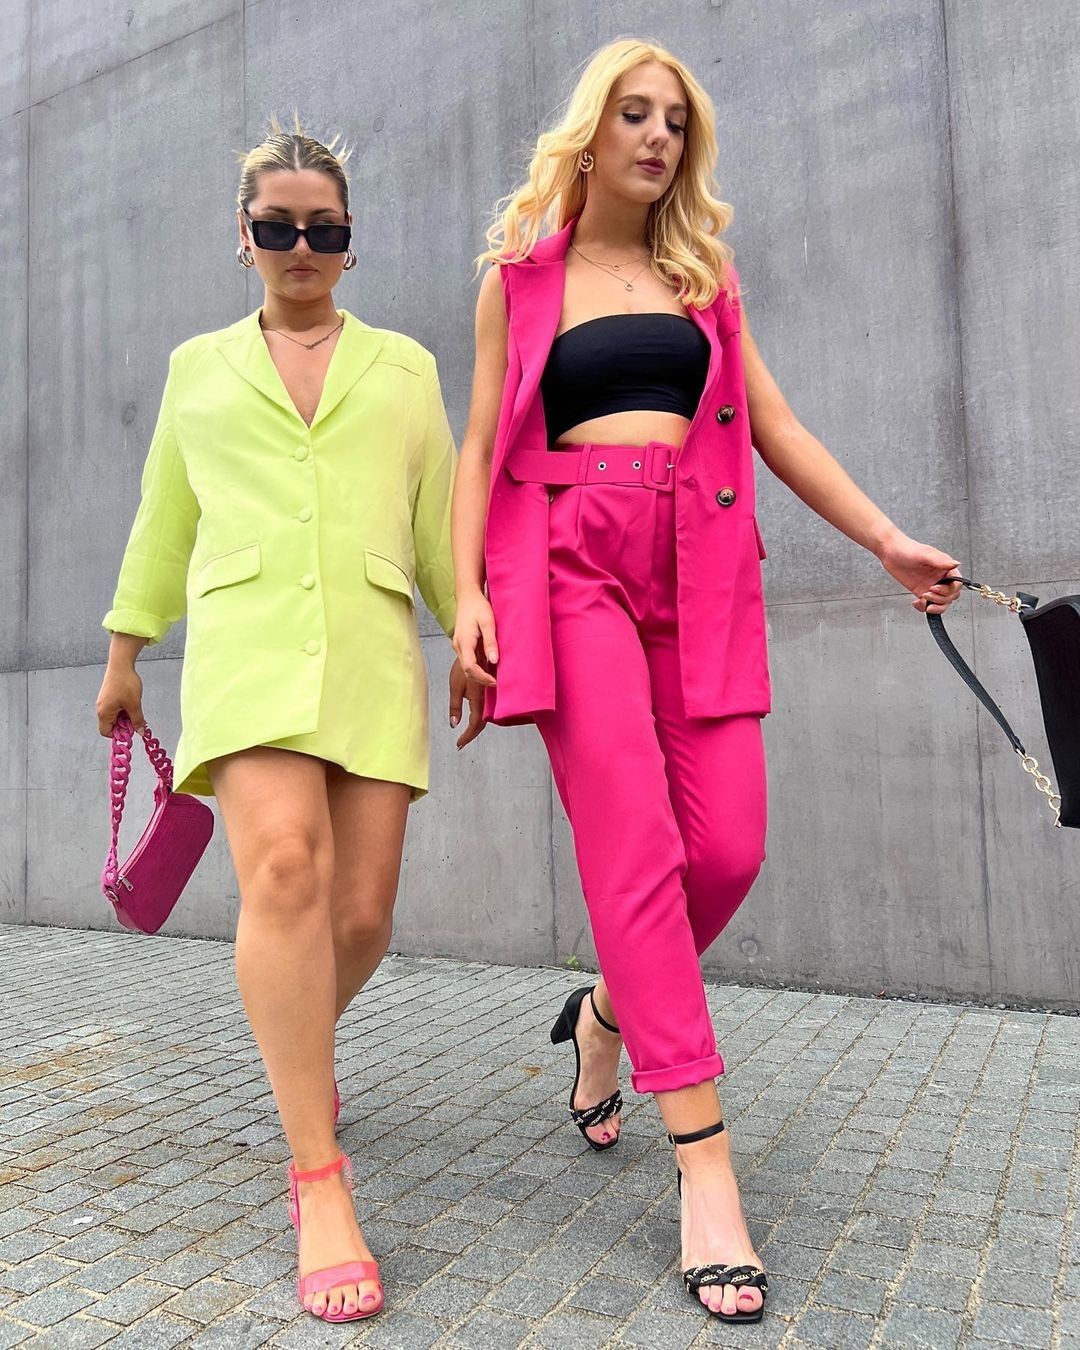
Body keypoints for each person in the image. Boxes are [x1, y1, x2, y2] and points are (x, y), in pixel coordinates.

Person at [451, 39, 961, 1326]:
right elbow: (480, 444)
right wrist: (467, 592)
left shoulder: (703, 279)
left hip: (698, 560)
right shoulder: (521, 279)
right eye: (634, 114)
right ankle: (707, 1170)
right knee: (633, 853)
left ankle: (604, 1015)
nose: (657, 137)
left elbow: (772, 424)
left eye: (675, 121)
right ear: (591, 131)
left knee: (726, 849)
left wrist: (886, 538)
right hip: (569, 567)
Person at [96, 120, 484, 1325]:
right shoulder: (198, 367)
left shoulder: (406, 368)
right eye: (277, 227)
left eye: (323, 228)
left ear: (351, 242)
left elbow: (438, 520)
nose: (300, 245)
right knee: (283, 871)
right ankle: (318, 1177)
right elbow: (164, 517)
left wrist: (471, 623)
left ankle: (296, 1054)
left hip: (369, 650)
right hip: (247, 645)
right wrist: (125, 653)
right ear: (245, 237)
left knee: (361, 916)